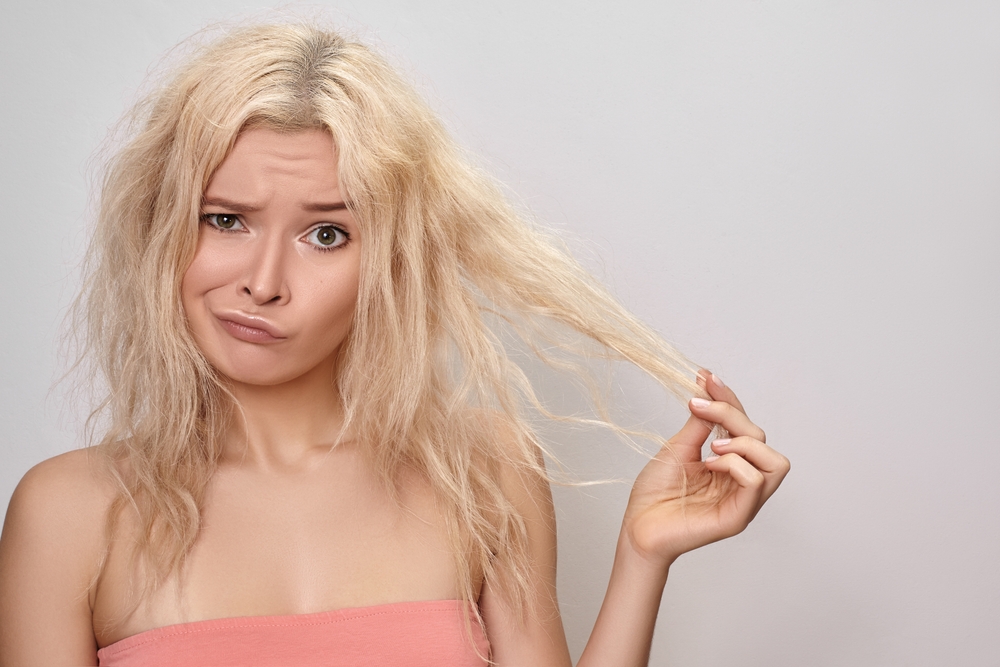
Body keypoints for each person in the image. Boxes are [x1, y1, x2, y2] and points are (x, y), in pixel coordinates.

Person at [0, 23, 789, 667]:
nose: (263, 280)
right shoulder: (71, 512)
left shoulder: (483, 467)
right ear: (161, 228)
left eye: (326, 233)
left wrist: (641, 557)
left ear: (390, 261)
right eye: (226, 219)